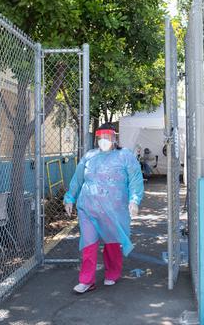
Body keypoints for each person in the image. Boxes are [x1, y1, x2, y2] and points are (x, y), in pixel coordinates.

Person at [63, 123, 144, 294]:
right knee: (89, 243)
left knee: (112, 243)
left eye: (108, 137)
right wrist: (70, 197)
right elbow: (78, 179)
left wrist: (134, 200)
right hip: (88, 208)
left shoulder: (125, 156)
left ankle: (113, 273)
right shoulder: (89, 156)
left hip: (113, 210)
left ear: (115, 138)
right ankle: (86, 280)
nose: (104, 141)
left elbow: (135, 179)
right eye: (101, 137)